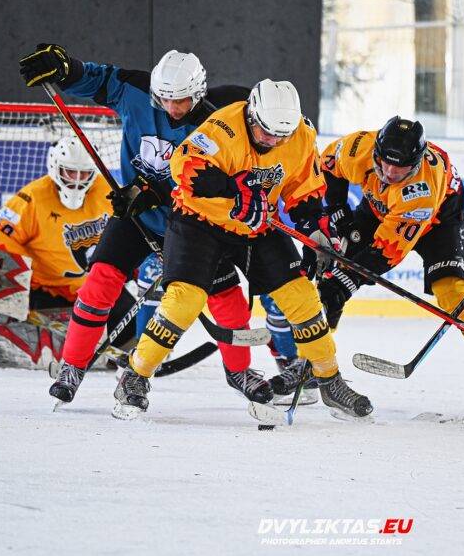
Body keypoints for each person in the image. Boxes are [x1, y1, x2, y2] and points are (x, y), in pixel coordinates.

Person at [18, 44, 270, 405]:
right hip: (138, 216)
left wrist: (156, 193)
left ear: (198, 92)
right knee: (100, 280)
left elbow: (217, 181)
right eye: (165, 99)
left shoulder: (220, 124)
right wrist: (67, 70)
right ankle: (72, 365)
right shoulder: (136, 92)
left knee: (226, 296)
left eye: (181, 100)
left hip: (195, 224)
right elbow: (98, 79)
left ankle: (240, 371)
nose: (172, 108)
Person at [112, 79, 373, 421]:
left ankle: (329, 378)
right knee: (184, 300)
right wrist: (233, 190)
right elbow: (183, 166)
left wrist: (316, 231)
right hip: (199, 221)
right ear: (252, 115)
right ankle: (136, 374)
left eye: (281, 136)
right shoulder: (224, 125)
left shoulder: (300, 134)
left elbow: (303, 189)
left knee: (302, 297)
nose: (273, 141)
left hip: (257, 224)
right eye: (266, 132)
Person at [316, 117, 464, 404]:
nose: (389, 172)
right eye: (384, 162)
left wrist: (348, 279)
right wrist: (336, 207)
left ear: (416, 162)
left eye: (400, 168)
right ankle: (313, 361)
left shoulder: (421, 190)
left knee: (455, 296)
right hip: (380, 209)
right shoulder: (359, 147)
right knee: (330, 279)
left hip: (440, 223)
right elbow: (327, 166)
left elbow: (387, 250)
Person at [0, 136, 131, 368]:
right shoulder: (34, 197)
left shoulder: (108, 191)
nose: (77, 180)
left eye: (84, 174)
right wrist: (4, 287)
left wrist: (129, 271)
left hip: (92, 289)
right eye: (70, 172)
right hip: (44, 291)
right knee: (9, 307)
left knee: (133, 322)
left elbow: (130, 231)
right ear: (55, 167)